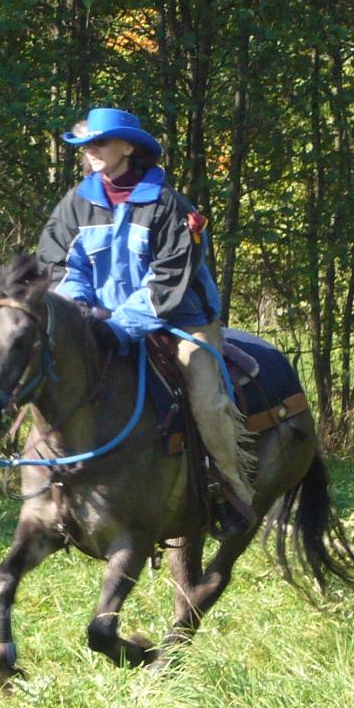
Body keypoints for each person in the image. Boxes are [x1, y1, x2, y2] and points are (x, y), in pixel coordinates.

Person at [36, 107, 255, 538]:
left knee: (206, 398)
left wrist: (117, 325)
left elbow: (168, 281)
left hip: (178, 322)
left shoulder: (169, 206)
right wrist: (81, 314)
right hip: (97, 324)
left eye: (100, 143)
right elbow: (60, 266)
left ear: (128, 148)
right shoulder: (75, 204)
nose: (90, 152)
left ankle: (230, 492)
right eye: (86, 146)